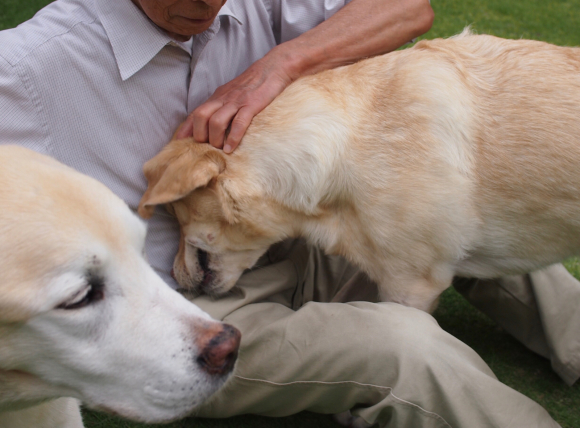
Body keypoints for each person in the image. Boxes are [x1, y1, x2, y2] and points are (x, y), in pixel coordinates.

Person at [0, 0, 577, 426]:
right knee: (405, 348)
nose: (207, 5)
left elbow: (408, 8)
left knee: (455, 223)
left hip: (283, 239)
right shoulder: (32, 66)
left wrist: (281, 63)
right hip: (188, 314)